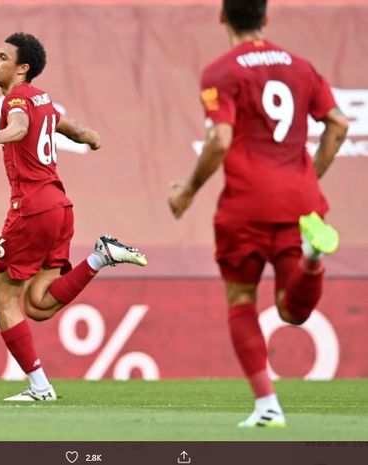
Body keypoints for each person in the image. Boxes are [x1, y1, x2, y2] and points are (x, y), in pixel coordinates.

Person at [168, 0, 348, 427]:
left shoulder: (221, 71)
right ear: (266, 18)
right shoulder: (301, 67)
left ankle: (267, 405)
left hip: (246, 205)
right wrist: (311, 176)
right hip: (299, 203)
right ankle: (314, 257)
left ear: (222, 17)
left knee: (242, 299)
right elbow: (338, 124)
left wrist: (188, 191)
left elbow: (219, 140)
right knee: (292, 311)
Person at [0, 32, 147, 402]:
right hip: (60, 208)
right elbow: (75, 129)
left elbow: (20, 126)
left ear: (22, 68)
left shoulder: (18, 99)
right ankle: (102, 255)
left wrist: (1, 136)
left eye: (3, 57)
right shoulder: (43, 100)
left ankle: (40, 387)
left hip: (32, 209)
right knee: (38, 305)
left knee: (3, 298)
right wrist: (92, 138)